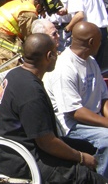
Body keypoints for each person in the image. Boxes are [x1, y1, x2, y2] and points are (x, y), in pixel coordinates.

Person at [0, 33, 107, 183]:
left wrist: (82, 153)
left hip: (15, 149)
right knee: (92, 179)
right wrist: (80, 157)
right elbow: (46, 142)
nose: (58, 55)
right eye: (56, 52)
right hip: (22, 159)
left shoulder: (17, 74)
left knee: (89, 148)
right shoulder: (30, 91)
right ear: (49, 55)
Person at [44, 21, 108, 178]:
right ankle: (99, 179)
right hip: (72, 127)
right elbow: (74, 112)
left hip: (92, 122)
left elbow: (104, 97)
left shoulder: (91, 62)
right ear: (92, 42)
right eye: (100, 40)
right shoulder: (64, 67)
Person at [0, 0, 62, 71]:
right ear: (38, 6)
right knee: (10, 69)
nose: (43, 15)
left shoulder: (26, 1)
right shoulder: (29, 14)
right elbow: (30, 40)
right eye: (43, 12)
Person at [53, 0, 108, 66]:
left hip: (89, 33)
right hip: (101, 31)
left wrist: (67, 29)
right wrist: (67, 10)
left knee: (85, 66)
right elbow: (87, 8)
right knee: (96, 66)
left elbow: (79, 15)